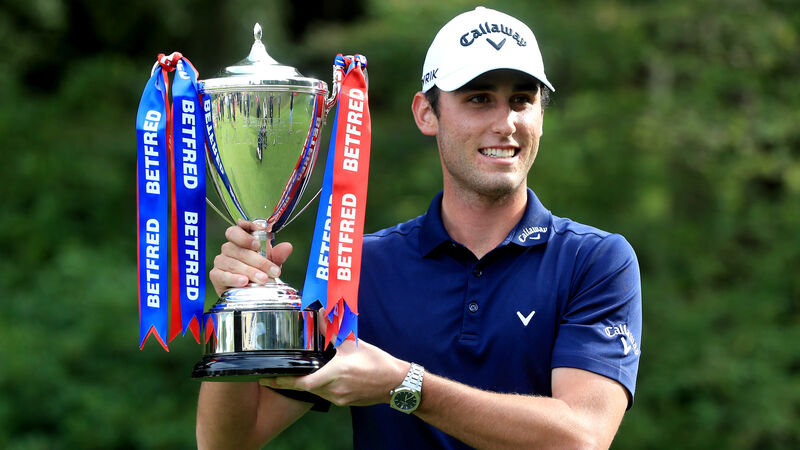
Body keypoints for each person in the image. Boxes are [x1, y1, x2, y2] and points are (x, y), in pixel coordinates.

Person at [197, 6, 642, 449]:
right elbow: (227, 442)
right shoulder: (361, 267)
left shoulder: (594, 261)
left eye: (522, 100)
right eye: (479, 98)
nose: (505, 123)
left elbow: (582, 438)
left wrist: (406, 385)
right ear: (426, 113)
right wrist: (238, 305)